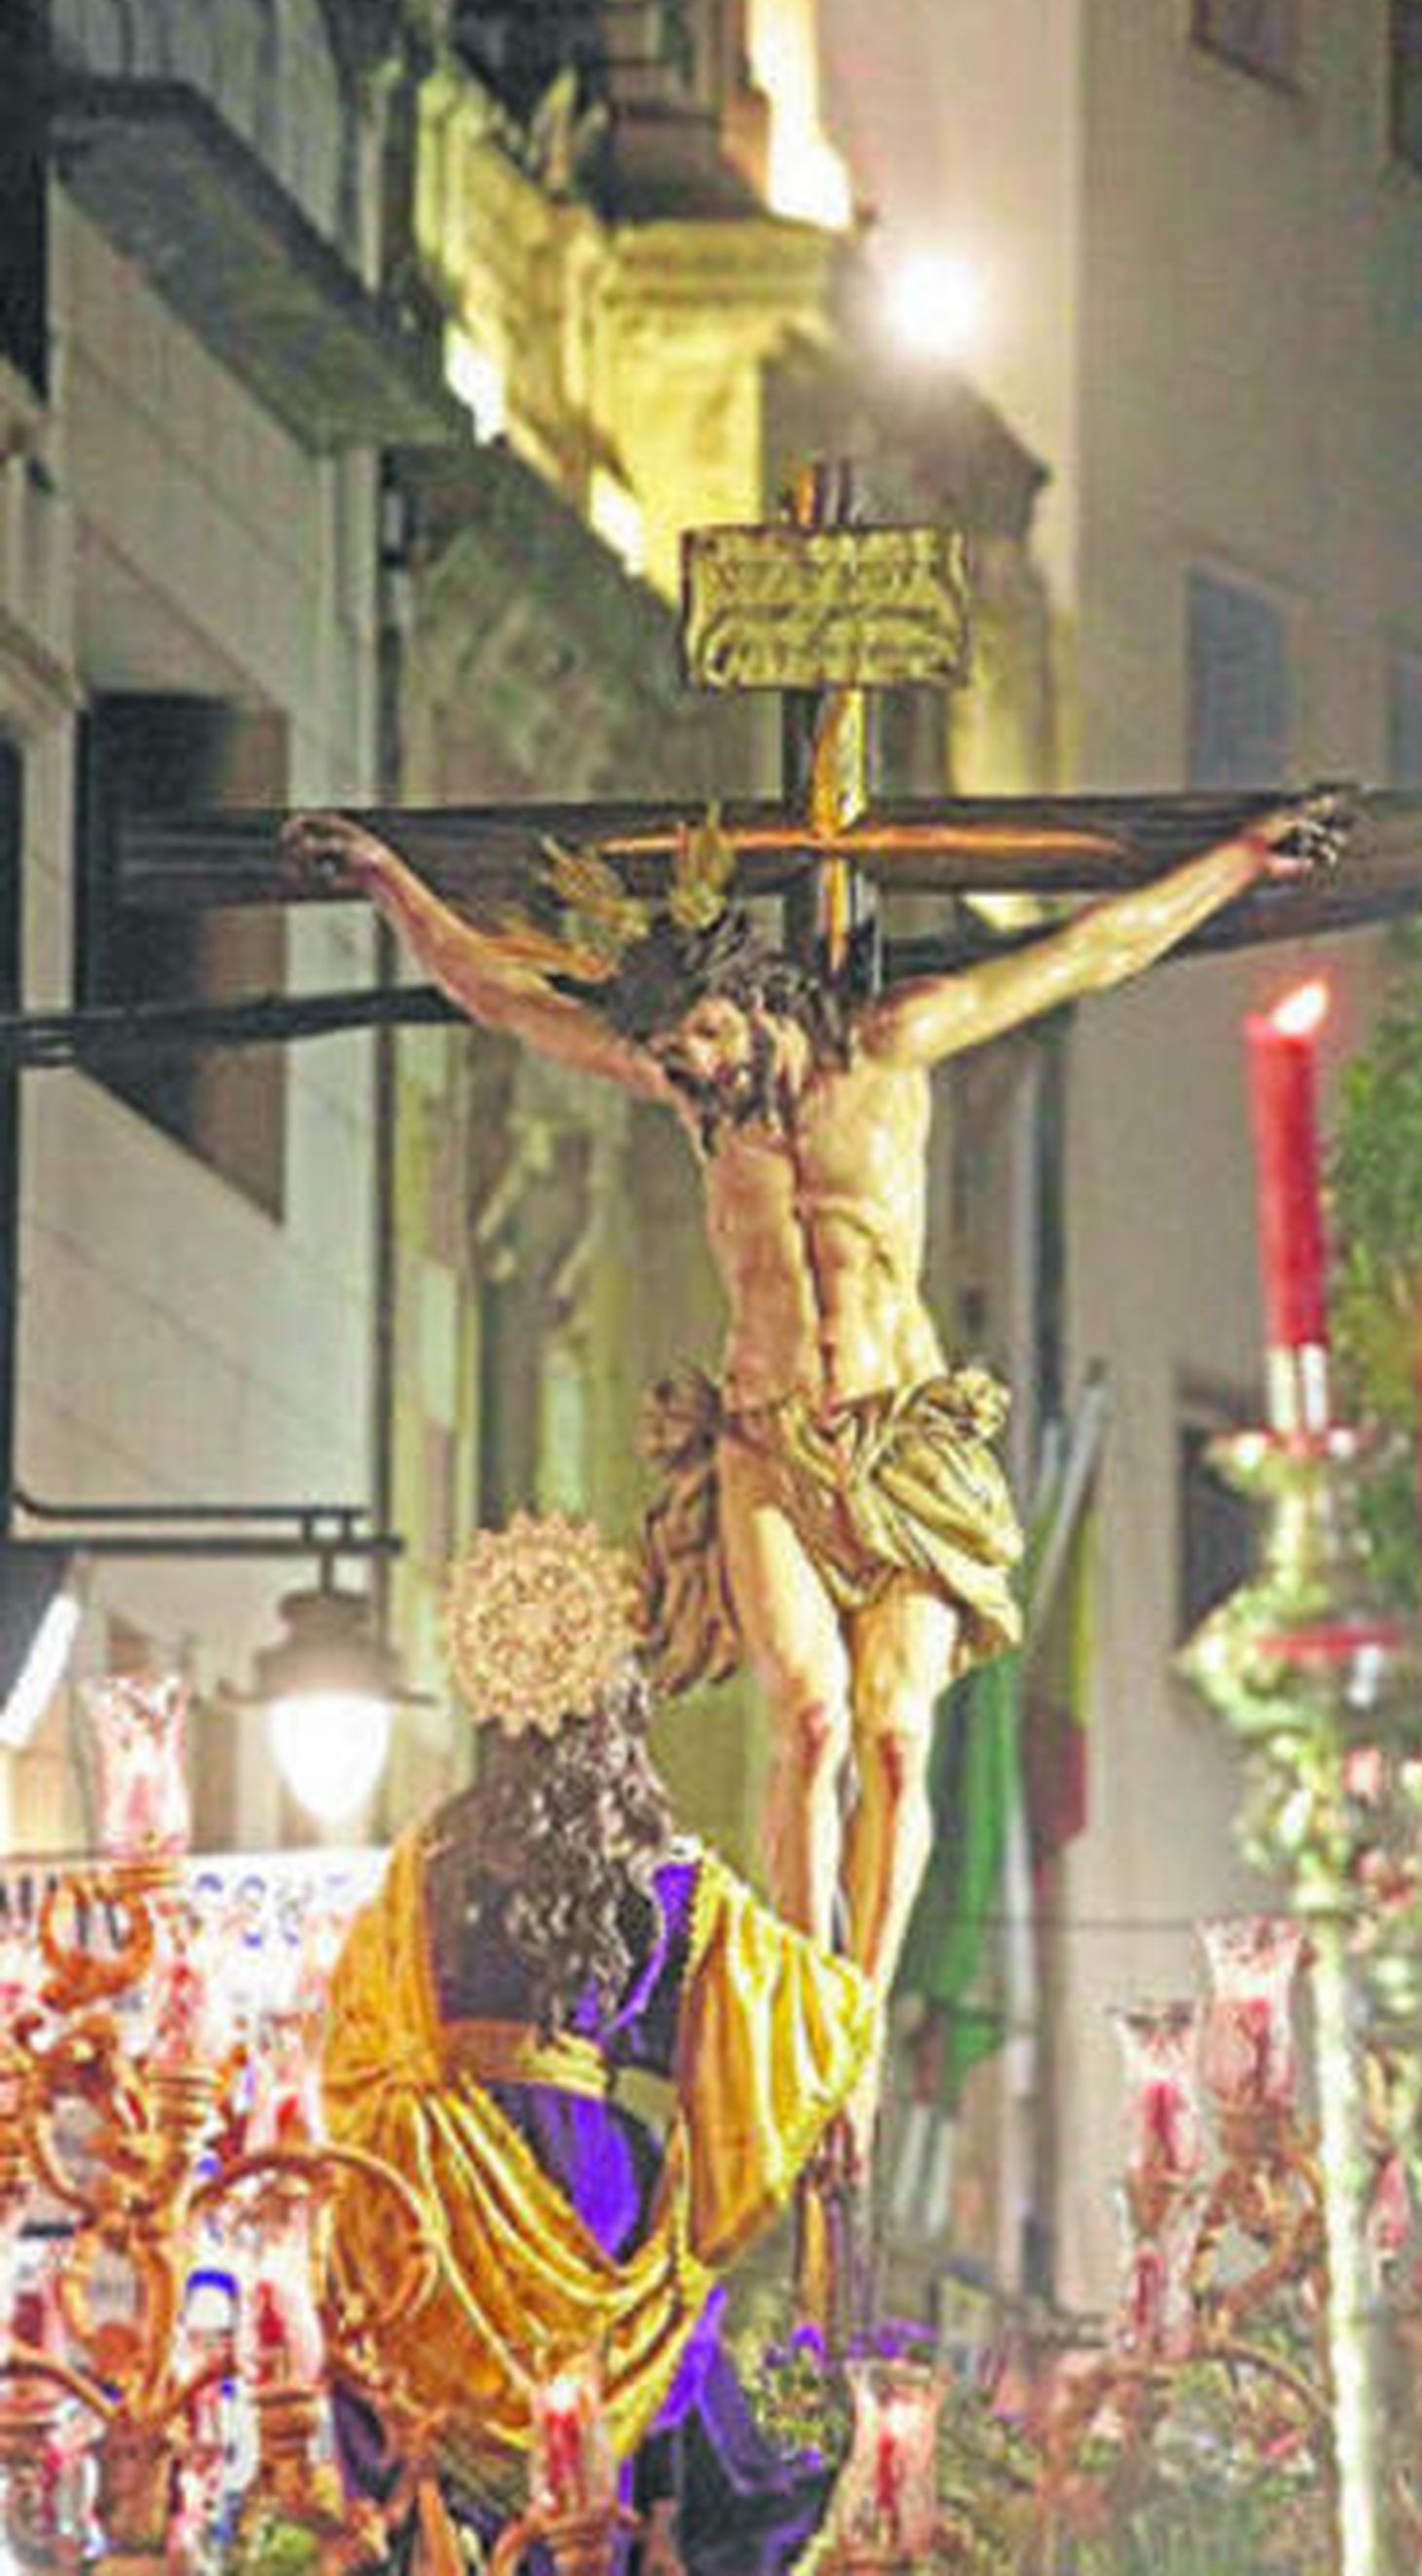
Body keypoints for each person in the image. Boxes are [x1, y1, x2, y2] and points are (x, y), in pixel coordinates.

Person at [289, 785, 1349, 2005]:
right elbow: (506, 1001)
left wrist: (1240, 860)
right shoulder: (696, 1099)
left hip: (901, 1446)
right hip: (766, 1445)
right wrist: (388, 882)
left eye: (699, 1036)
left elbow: (1085, 953)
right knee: (806, 1719)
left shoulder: (896, 1045)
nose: (687, 1066)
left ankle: (864, 2018)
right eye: (672, 1051)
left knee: (897, 1734)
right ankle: (808, 2006)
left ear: (750, 995)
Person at [323, 1505, 878, 2574]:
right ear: (617, 1705)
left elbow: (355, 2038)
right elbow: (784, 2015)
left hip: (428, 2190)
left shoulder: (424, 1861)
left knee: (434, 2459)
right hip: (591, 2184)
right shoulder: (660, 1879)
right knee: (616, 2435)